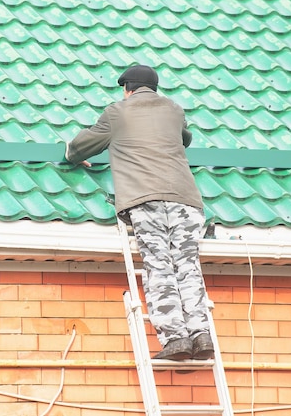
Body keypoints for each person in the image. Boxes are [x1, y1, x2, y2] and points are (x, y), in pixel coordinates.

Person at [65, 64, 213, 361]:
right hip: (186, 200)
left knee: (159, 266)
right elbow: (185, 139)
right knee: (187, 267)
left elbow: (83, 146)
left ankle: (176, 340)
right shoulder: (173, 110)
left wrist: (71, 154)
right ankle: (201, 335)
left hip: (146, 200)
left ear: (126, 88)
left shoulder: (117, 112)